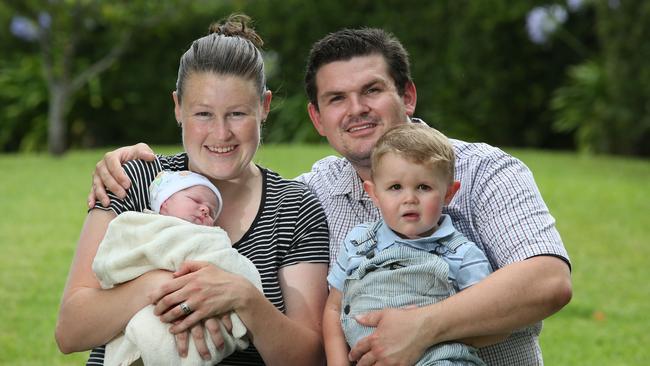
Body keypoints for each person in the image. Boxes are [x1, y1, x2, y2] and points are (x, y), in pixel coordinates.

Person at [87, 27, 572, 365]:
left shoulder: (484, 170)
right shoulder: (314, 192)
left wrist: (425, 327)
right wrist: (141, 165)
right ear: (317, 118)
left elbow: (548, 280)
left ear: (407, 96)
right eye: (336, 99)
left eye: (372, 90)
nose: (356, 109)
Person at [55, 14, 330, 366]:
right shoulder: (135, 181)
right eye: (203, 114)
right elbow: (70, 331)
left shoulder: (294, 207)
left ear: (263, 107)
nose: (220, 134)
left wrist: (243, 298)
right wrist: (160, 285)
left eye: (236, 114)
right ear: (177, 107)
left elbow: (310, 358)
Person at [324, 123, 499, 365]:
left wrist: (428, 331)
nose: (409, 199)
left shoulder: (461, 253)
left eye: (423, 187)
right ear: (373, 193)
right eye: (395, 187)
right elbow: (333, 310)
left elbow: (489, 321)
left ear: (449, 193)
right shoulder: (359, 243)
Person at [93, 170, 263, 365]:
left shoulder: (207, 237)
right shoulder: (143, 226)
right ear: (165, 203)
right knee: (143, 328)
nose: (205, 210)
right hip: (145, 312)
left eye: (212, 211)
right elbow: (114, 258)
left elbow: (222, 260)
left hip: (195, 325)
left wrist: (244, 290)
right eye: (196, 200)